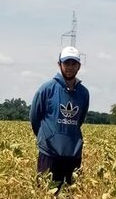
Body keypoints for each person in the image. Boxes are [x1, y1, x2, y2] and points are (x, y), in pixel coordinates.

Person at [30, 46, 89, 189]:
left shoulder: (84, 93)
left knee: (69, 198)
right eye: (66, 63)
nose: (69, 67)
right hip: (49, 153)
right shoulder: (47, 89)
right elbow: (35, 118)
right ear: (59, 64)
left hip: (73, 154)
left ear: (79, 66)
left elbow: (79, 120)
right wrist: (48, 137)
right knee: (46, 195)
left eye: (73, 64)